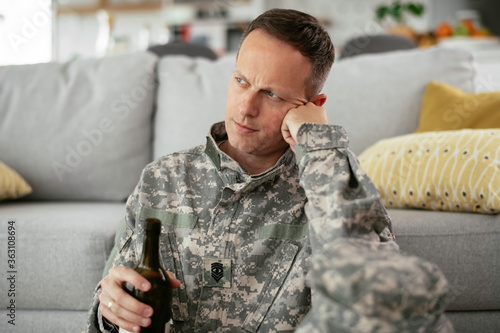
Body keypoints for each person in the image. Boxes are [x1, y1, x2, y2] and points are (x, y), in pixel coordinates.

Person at [84, 8, 453, 333]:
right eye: (241, 81)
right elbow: (114, 301)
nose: (245, 108)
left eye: (272, 94)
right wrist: (110, 308)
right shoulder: (161, 178)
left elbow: (376, 296)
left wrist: (319, 142)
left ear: (312, 106)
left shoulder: (330, 181)